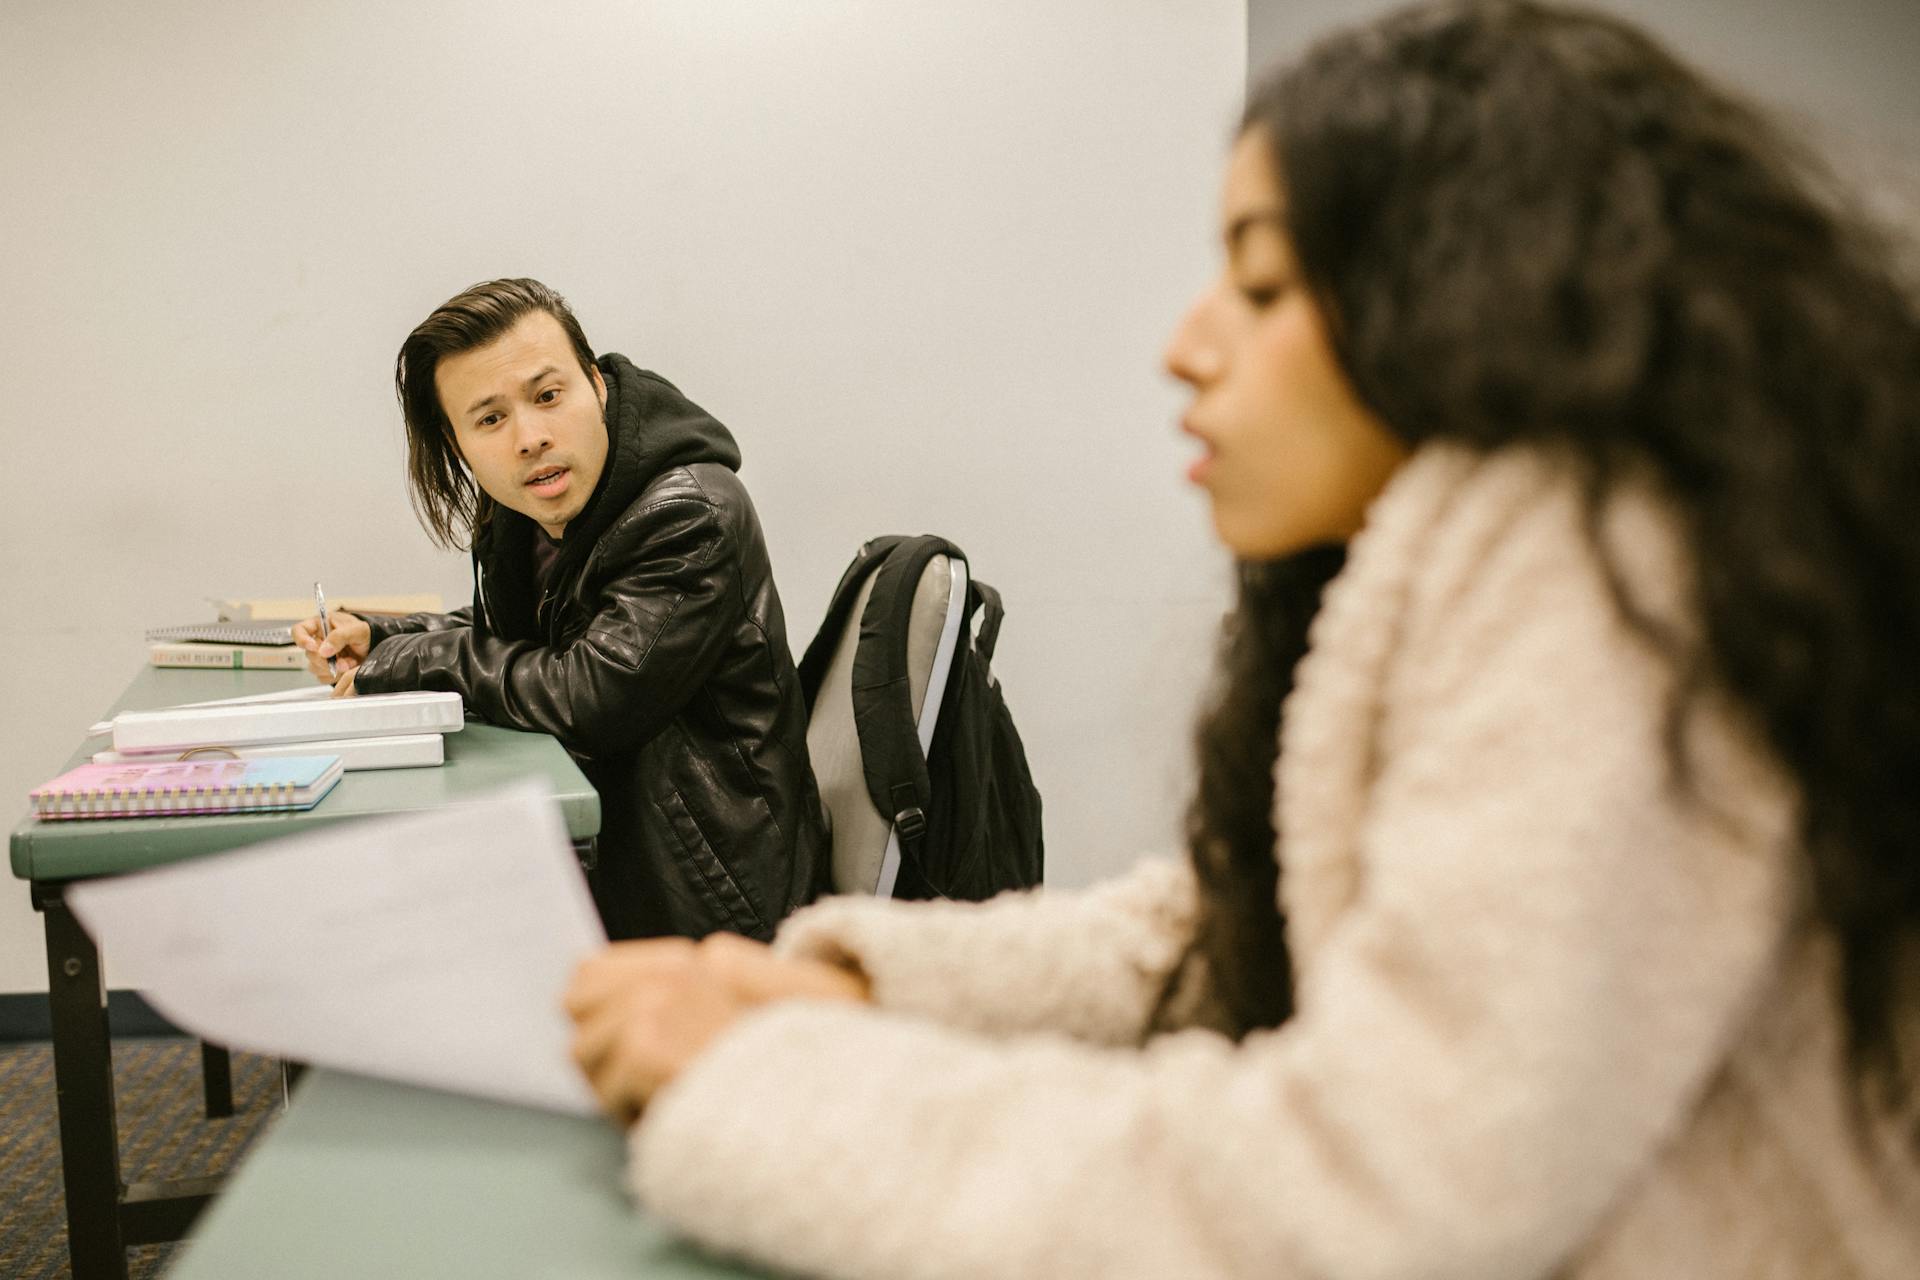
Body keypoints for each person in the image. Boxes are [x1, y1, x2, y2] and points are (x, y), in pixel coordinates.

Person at [563, 2, 1920, 1275]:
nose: (1187, 345)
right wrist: (862, 985)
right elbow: (1233, 930)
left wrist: (779, 1095)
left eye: (1263, 290)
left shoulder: (1602, 554)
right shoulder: (1451, 554)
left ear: (1469, 301)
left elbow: (1383, 1187)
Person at [295, 278, 828, 941]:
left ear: (597, 385)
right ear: (457, 444)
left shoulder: (687, 513)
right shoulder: (543, 510)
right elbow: (539, 636)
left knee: (379, 934)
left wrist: (419, 658)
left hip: (707, 904)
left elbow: (591, 694)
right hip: (607, 860)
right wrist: (383, 637)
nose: (530, 437)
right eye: (489, 419)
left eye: (549, 396)